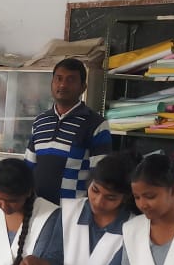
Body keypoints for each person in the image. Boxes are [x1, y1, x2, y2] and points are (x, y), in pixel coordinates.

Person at [24, 57, 111, 204]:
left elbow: (100, 176)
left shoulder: (96, 124)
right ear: (52, 83)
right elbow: (28, 167)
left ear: (83, 87)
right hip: (38, 208)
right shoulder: (40, 121)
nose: (63, 84)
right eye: (59, 78)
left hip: (73, 210)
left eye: (71, 80)